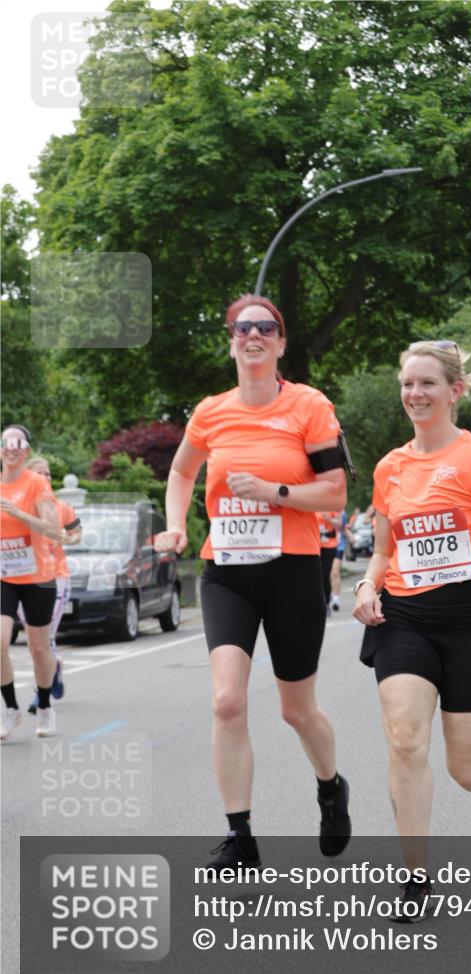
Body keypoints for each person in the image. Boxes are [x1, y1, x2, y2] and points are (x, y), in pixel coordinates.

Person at [155, 295, 351, 870]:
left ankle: (330, 787)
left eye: (266, 327)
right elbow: (181, 471)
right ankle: (240, 836)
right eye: (243, 328)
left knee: (297, 710)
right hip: (227, 573)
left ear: (281, 343)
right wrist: (175, 527)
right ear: (232, 341)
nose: (254, 335)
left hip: (292, 569)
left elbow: (336, 492)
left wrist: (275, 493)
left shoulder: (309, 406)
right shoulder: (211, 411)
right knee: (226, 701)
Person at [353, 340, 471, 922]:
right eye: (407, 384)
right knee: (404, 738)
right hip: (405, 616)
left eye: (427, 383)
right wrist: (365, 586)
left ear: (454, 391)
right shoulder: (389, 468)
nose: (414, 394)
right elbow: (382, 549)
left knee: (467, 767)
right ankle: (415, 878)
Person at [1, 426, 60, 740]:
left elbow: (53, 529)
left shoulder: (36, 484)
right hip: (4, 577)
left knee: (38, 649)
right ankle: (10, 708)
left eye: (18, 443)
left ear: (26, 450)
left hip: (38, 576)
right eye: (6, 442)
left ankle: (46, 706)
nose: (12, 448)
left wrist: (20, 514)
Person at [23, 457, 82, 713]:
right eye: (40, 473)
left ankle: (40, 692)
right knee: (34, 639)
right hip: (25, 580)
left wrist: (69, 539)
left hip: (56, 577)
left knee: (45, 636)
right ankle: (53, 667)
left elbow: (77, 533)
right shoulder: (20, 507)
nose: (45, 477)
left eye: (48, 473)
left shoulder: (62, 507)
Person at [317, 511, 341, 615]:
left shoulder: (332, 504)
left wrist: (329, 520)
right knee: (316, 574)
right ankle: (316, 603)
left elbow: (340, 524)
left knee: (326, 574)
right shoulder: (311, 503)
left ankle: (326, 604)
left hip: (329, 545)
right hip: (314, 543)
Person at [329, 509, 348, 612]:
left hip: (339, 546)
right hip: (324, 546)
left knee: (335, 572)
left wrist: (350, 537)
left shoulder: (341, 512)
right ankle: (330, 595)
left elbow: (342, 527)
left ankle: (336, 598)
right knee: (327, 573)